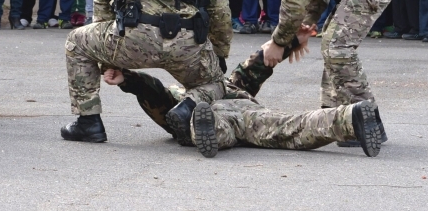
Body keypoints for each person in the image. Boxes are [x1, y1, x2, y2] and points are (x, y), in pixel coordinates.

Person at [61, 0, 232, 145]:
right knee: (215, 83)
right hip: (186, 42)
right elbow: (219, 5)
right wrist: (220, 53)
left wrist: (110, 63)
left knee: (76, 41)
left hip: (133, 40)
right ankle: (187, 106)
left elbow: (101, 12)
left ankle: (89, 122)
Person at [235, 0, 400, 146]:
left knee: (337, 47)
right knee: (332, 45)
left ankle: (366, 119)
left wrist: (279, 42)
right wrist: (307, 25)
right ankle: (335, 117)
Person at [103, 38, 382, 158]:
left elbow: (157, 95)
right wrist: (129, 80)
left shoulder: (196, 92)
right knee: (289, 126)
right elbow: (252, 69)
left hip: (223, 115)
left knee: (218, 128)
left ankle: (206, 126)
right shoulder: (219, 86)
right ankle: (350, 115)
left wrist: (129, 80)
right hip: (242, 113)